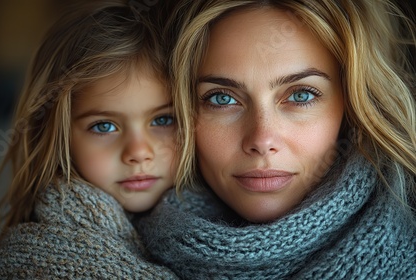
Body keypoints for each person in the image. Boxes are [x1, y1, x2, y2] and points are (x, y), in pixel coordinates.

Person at [135, 0, 416, 278]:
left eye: (301, 95)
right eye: (222, 99)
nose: (262, 138)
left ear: (352, 106)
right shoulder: (109, 243)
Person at [0, 0, 179, 278]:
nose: (139, 152)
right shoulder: (32, 261)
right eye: (104, 126)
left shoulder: (227, 216)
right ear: (58, 134)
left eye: (162, 120)